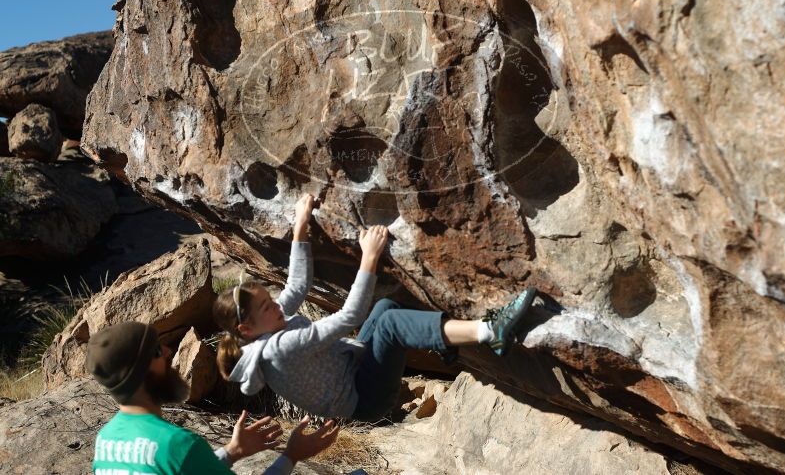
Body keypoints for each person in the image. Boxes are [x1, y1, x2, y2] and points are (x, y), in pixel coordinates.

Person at [213, 193, 537, 422]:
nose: (276, 306)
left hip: (356, 367)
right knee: (390, 324)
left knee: (384, 306)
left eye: (270, 301)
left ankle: (447, 343)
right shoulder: (278, 349)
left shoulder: (269, 323)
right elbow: (349, 317)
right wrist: (368, 257)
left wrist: (300, 225)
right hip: (365, 398)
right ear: (246, 329)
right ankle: (490, 330)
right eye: (266, 307)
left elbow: (297, 286)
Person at [86, 320, 339, 475]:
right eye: (155, 351)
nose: (167, 351)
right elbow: (177, 460)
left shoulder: (106, 441)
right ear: (141, 373)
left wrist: (231, 452)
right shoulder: (177, 445)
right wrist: (291, 455)